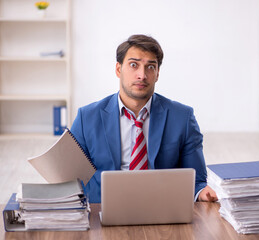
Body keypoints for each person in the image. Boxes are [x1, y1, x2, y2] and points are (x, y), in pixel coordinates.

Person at [71, 34, 217, 203]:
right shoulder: (87, 117)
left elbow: (197, 180)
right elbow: (73, 178)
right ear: (118, 69)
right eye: (134, 65)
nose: (142, 75)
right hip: (105, 209)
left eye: (150, 67)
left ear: (157, 74)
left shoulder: (182, 117)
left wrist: (201, 193)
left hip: (161, 209)